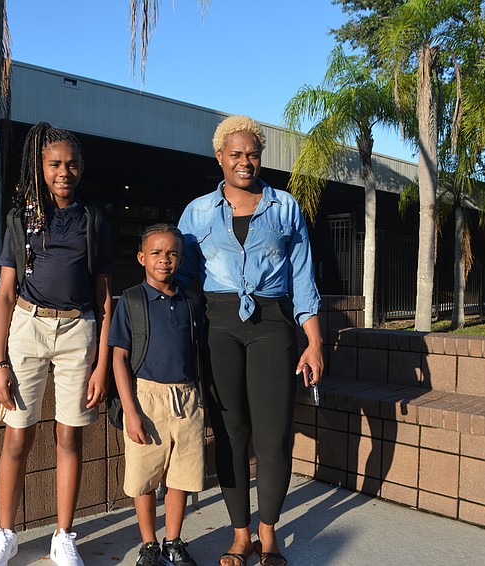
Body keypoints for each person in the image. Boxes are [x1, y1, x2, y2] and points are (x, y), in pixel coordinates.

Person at [176, 116, 323, 566]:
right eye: (235, 154)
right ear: (219, 157)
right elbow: (179, 281)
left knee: (273, 435)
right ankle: (240, 536)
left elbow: (303, 280)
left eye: (252, 154)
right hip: (217, 325)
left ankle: (269, 535)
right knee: (230, 432)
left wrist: (314, 343)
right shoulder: (197, 212)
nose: (245, 162)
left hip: (273, 324)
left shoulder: (285, 208)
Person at [0, 122, 114, 566]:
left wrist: (101, 366)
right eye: (55, 164)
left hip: (80, 333)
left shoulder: (93, 220)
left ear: (82, 168)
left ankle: (63, 536)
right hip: (28, 329)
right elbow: (4, 294)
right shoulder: (22, 220)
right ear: (40, 166)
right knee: (18, 437)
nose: (63, 172)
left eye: (71, 164)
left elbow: (105, 298)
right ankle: (6, 534)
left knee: (69, 437)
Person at [108, 224, 205, 566]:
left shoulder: (192, 300)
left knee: (181, 476)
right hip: (145, 398)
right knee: (145, 477)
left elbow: (199, 351)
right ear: (141, 258)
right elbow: (118, 357)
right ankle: (149, 544)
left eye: (172, 253)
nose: (164, 260)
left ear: (180, 259)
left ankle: (173, 542)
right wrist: (130, 411)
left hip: (187, 397)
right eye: (156, 253)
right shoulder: (132, 300)